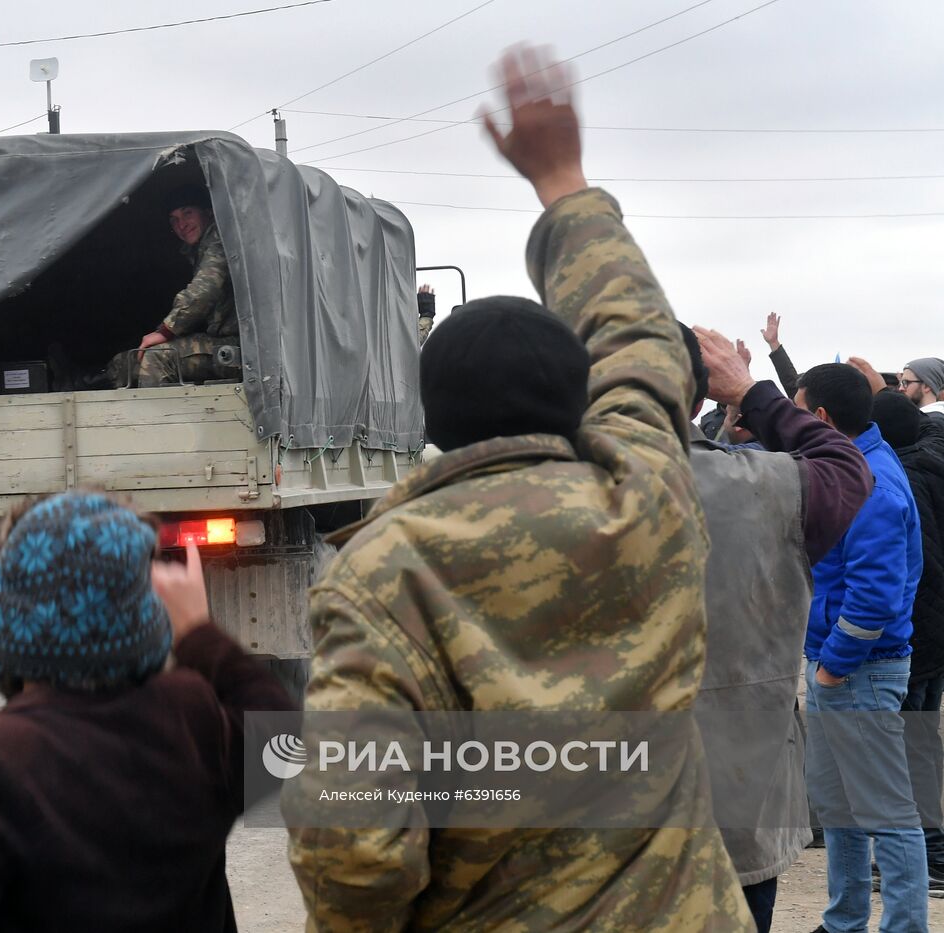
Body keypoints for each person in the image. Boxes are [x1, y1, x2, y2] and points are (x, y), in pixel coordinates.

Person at [287, 46, 753, 931]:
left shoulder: (384, 571)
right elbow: (641, 344)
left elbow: (356, 851)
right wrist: (564, 183)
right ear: (575, 401)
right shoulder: (644, 496)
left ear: (433, 417)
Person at [0, 491, 294, 932]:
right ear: (146, 617)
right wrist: (199, 634)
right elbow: (283, 745)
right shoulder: (192, 717)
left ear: (4, 619)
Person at [685, 327, 872, 932]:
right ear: (696, 400)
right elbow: (844, 465)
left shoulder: (517, 494)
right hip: (734, 801)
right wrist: (750, 389)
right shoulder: (763, 488)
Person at [794, 363, 928, 933]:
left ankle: (904, 925)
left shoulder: (870, 482)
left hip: (859, 670)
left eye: (797, 411)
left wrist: (831, 671)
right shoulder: (855, 463)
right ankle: (844, 919)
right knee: (840, 808)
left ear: (822, 417)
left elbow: (875, 597)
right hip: (838, 662)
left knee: (887, 813)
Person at [874, 390, 944, 892]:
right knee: (921, 738)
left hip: (919, 627)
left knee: (909, 743)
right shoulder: (934, 455)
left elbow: (916, 567)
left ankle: (932, 852)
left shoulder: (907, 481)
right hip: (935, 631)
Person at [107, 185, 239, 388]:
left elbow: (204, 291)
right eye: (174, 219)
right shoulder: (195, 250)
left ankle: (155, 420)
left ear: (208, 212)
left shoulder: (220, 239)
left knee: (156, 358)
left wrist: (166, 331)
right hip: (216, 340)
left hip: (238, 347)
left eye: (187, 213)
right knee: (123, 363)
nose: (182, 224)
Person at [900, 357, 944, 423]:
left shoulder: (933, 422)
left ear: (926, 386)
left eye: (906, 382)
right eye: (901, 383)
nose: (901, 388)